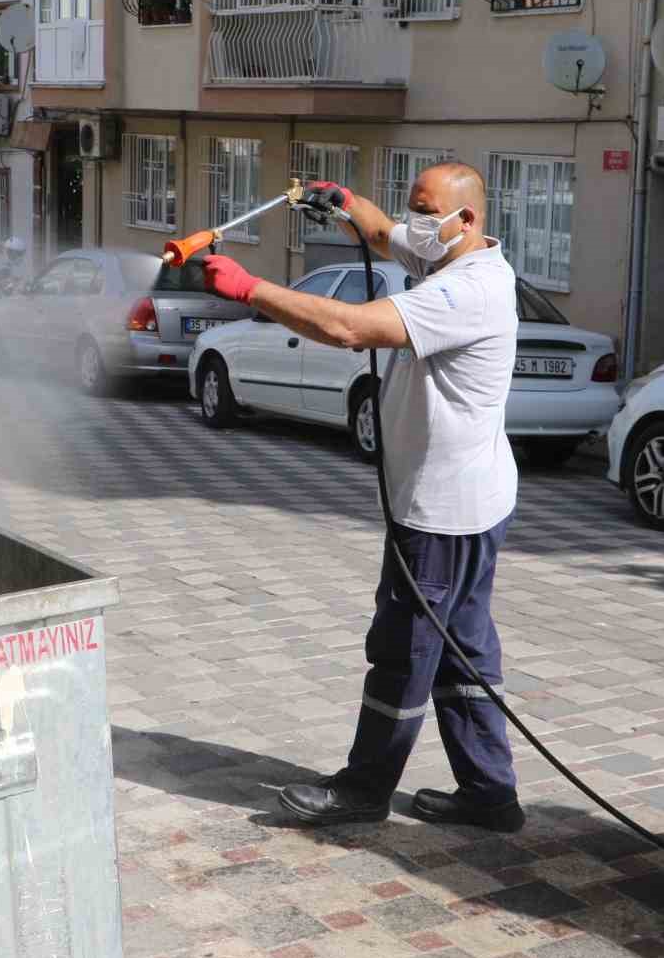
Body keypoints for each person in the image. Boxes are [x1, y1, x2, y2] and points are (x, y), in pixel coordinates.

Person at [200, 163, 524, 833]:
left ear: (468, 220)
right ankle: (490, 795)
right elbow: (381, 233)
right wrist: (346, 203)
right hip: (471, 502)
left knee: (403, 650)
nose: (415, 222)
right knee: (464, 653)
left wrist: (251, 288)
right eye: (414, 206)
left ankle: (363, 791)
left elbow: (350, 328)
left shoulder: (467, 290)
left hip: (441, 514)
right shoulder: (451, 252)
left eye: (427, 211)